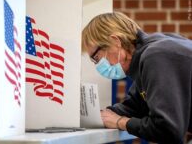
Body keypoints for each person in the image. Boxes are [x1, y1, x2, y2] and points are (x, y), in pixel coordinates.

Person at [81, 12, 192, 143]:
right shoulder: (147, 54)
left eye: (96, 58)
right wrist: (93, 116)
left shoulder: (156, 56)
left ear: (115, 41)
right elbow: (134, 107)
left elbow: (168, 129)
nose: (98, 65)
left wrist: (120, 122)